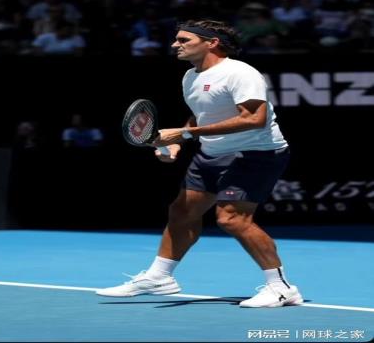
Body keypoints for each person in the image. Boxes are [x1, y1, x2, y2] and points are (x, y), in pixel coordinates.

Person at [96, 19, 303, 308]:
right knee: (182, 211)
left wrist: (184, 134)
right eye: (176, 40)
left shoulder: (240, 73)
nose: (175, 45)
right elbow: (201, 115)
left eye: (184, 40)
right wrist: (177, 141)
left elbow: (254, 119)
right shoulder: (190, 76)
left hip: (255, 153)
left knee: (232, 219)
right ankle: (159, 277)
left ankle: (282, 288)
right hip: (212, 153)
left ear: (211, 43)